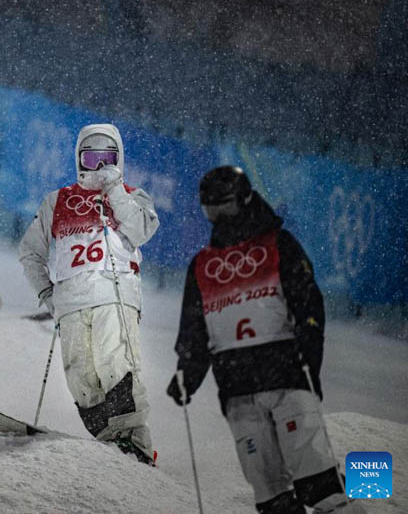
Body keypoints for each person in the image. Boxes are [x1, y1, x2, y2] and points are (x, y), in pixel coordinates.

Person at [166, 166, 365, 513]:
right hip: (238, 390)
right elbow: (195, 330)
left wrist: (308, 361)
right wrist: (188, 373)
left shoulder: (278, 244)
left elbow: (308, 308)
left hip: (286, 376)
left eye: (224, 206)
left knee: (319, 485)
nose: (217, 217)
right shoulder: (202, 264)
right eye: (209, 209)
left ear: (244, 199)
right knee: (271, 496)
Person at [19, 123, 160, 465]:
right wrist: (47, 294)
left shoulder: (132, 195)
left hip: (114, 293)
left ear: (119, 159)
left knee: (116, 364)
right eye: (92, 158)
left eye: (107, 158)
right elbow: (30, 252)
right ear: (79, 159)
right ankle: (108, 441)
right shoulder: (58, 200)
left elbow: (142, 231)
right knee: (82, 378)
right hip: (70, 303)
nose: (99, 166)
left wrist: (114, 190)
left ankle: (135, 442)